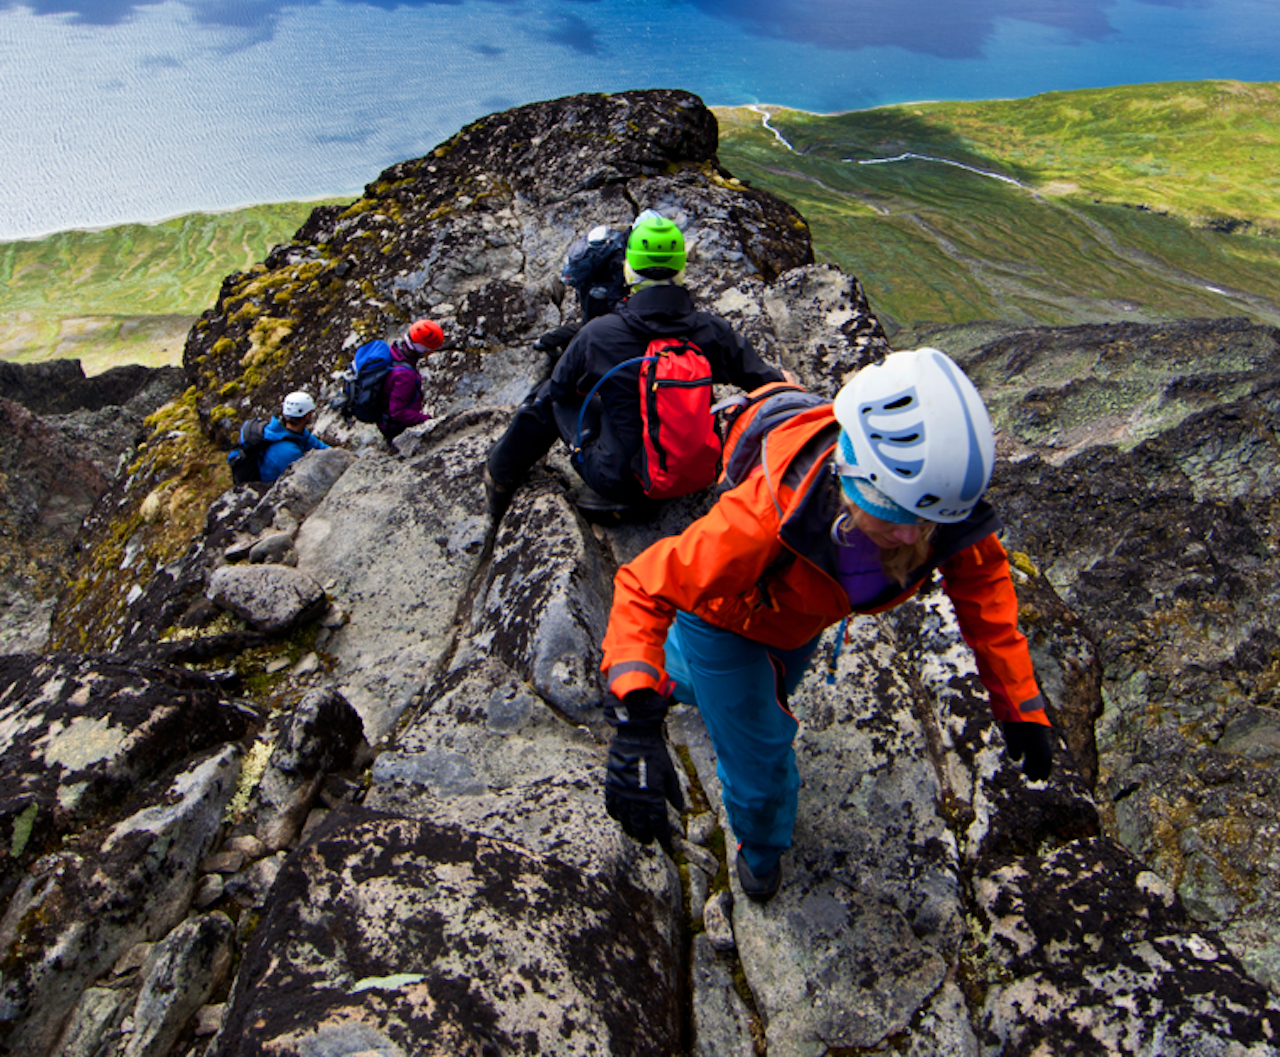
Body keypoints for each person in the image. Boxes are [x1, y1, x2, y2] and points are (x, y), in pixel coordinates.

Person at [597, 348, 1055, 903]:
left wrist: (1019, 701)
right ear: (853, 475)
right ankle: (761, 853)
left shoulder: (938, 507)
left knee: (740, 695)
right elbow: (647, 583)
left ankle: (671, 679)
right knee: (762, 756)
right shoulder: (765, 517)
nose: (915, 538)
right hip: (722, 621)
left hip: (797, 621)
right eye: (896, 514)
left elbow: (984, 589)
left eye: (928, 522)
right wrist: (634, 719)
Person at [484, 211, 786, 520]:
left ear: (629, 269)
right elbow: (770, 385)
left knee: (546, 396)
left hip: (619, 481)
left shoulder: (599, 334)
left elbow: (561, 389)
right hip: (696, 476)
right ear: (681, 269)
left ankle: (498, 482)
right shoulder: (713, 332)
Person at [533, 224, 628, 355]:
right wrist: (620, 312)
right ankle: (547, 342)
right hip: (598, 298)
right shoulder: (617, 256)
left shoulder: (596, 250)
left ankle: (552, 342)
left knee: (588, 324)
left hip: (587, 291)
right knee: (589, 326)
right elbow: (615, 291)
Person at [379, 318, 444, 444]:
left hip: (384, 418)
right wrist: (427, 419)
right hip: (395, 428)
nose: (432, 353)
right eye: (431, 349)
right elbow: (397, 413)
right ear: (422, 349)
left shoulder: (395, 351)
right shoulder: (405, 375)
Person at [258, 391, 329, 483]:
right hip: (270, 487)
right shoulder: (289, 452)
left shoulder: (297, 433)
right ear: (307, 416)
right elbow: (304, 478)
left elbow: (319, 447)